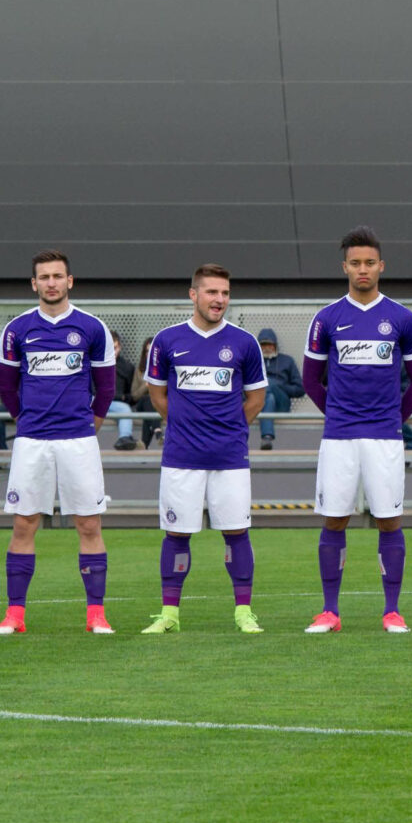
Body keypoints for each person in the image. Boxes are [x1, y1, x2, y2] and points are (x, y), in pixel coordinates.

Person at [300, 227, 412, 634]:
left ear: (381, 266)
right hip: (339, 437)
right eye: (355, 263)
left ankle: (392, 611)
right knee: (334, 519)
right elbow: (310, 380)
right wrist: (337, 414)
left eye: (369, 262)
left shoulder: (402, 318)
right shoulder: (327, 318)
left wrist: (393, 419)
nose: (363, 269)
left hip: (384, 437)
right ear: (345, 267)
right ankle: (330, 611)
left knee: (389, 520)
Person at [0, 249, 119, 634]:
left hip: (78, 441)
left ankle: (96, 615)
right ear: (34, 284)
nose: (52, 283)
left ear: (70, 281)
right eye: (44, 277)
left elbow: (106, 388)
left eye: (58, 276)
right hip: (32, 441)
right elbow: (7, 388)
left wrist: (87, 426)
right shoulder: (16, 330)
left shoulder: (92, 328)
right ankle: (15, 615)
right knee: (24, 524)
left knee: (88, 524)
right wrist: (27, 421)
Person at [139, 264, 268, 635]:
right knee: (176, 534)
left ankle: (243, 613)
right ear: (193, 294)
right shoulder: (167, 340)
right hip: (181, 456)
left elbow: (256, 399)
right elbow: (158, 395)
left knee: (236, 532)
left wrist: (229, 430)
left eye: (225, 293)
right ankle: (170, 614)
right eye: (212, 292)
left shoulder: (245, 342)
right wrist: (185, 425)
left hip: (229, 457)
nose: (219, 299)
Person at [256, 327, 305, 451]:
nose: (267, 348)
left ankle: (267, 434)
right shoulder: (252, 362)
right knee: (269, 397)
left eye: (270, 344)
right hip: (258, 404)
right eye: (263, 345)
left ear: (275, 345)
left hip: (281, 404)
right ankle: (267, 437)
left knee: (268, 383)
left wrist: (278, 385)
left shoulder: (287, 361)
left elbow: (300, 389)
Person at [110, 335, 140, 450]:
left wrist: (123, 397)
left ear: (120, 347)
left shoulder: (127, 367)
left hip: (114, 404)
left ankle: (124, 439)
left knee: (124, 409)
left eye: (115, 348)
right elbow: (92, 389)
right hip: (94, 401)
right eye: (109, 348)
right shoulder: (95, 363)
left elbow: (130, 394)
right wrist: (120, 397)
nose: (113, 351)